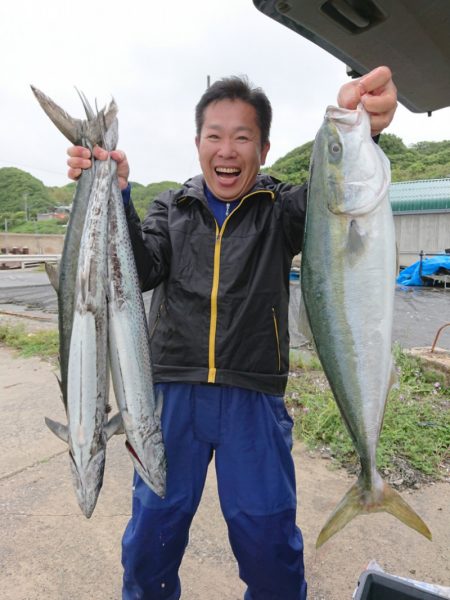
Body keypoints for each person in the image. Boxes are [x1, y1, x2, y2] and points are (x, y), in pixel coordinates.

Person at [67, 66, 397, 600]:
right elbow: (140, 267)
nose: (227, 150)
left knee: (269, 545)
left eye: (242, 137)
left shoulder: (282, 209)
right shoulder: (169, 208)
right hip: (171, 397)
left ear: (264, 149)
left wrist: (365, 127)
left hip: (254, 400)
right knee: (151, 538)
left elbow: (340, 194)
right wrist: (117, 191)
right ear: (197, 143)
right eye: (215, 136)